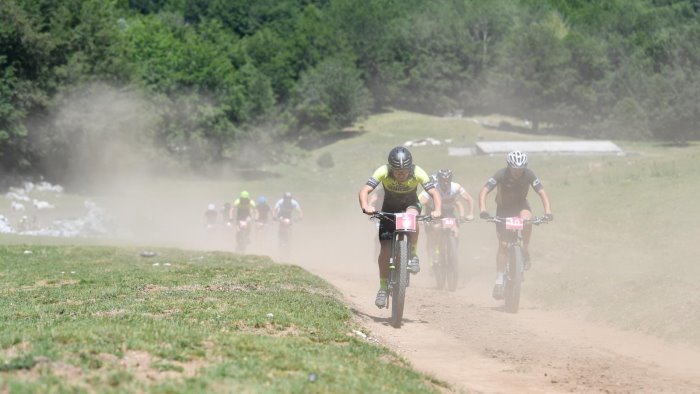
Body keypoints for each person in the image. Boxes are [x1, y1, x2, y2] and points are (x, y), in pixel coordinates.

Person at [358, 146, 442, 308]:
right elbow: (365, 190)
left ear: (410, 167)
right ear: (391, 167)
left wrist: (438, 209)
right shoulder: (383, 171)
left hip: (410, 204)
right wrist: (365, 206)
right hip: (389, 208)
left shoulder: (418, 172)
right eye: (397, 171)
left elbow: (434, 193)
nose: (401, 174)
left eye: (404, 170)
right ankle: (383, 287)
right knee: (385, 251)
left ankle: (413, 253)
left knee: (412, 216)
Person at [478, 150, 553, 300]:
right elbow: (484, 190)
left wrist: (548, 212)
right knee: (503, 245)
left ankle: (525, 249)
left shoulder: (529, 174)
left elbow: (542, 193)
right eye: (514, 169)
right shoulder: (501, 174)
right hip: (503, 209)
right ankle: (499, 279)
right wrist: (483, 209)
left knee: (527, 219)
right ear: (509, 166)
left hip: (520, 205)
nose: (518, 172)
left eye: (520, 169)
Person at [419, 169, 475, 269]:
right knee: (435, 229)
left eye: (448, 180)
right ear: (439, 180)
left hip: (448, 212)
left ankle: (452, 250)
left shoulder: (456, 187)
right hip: (434, 211)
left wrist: (470, 213)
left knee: (456, 230)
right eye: (443, 180)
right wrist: (419, 214)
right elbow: (421, 201)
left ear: (451, 179)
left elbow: (469, 199)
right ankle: (435, 253)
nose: (445, 182)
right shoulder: (433, 188)